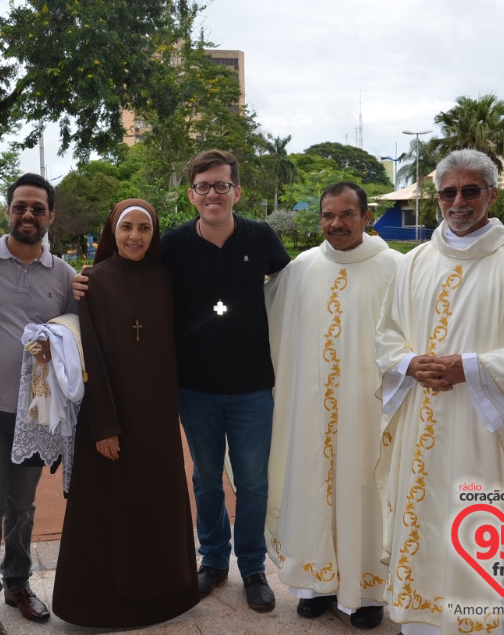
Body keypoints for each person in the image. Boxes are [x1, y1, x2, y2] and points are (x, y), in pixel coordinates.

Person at [73, 150, 290, 612]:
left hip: (253, 385)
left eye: (222, 185)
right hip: (195, 388)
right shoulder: (170, 245)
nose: (213, 194)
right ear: (191, 194)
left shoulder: (262, 237)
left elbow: (293, 287)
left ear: (237, 191)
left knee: (252, 483)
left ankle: (252, 567)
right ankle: (213, 561)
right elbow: (133, 278)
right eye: (204, 187)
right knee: (208, 479)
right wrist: (84, 283)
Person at [376, 149, 504, 635]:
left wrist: (470, 366)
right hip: (419, 409)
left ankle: (486, 618)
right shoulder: (414, 262)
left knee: (481, 512)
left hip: (486, 417)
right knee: (422, 512)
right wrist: (409, 362)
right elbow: (385, 334)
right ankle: (423, 620)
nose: (459, 201)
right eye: (449, 192)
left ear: (492, 194)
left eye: (471, 190)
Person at [52, 199, 200, 627]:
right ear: (112, 231)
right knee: (108, 516)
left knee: (157, 508)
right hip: (109, 418)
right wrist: (105, 426)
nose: (135, 236)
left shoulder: (167, 280)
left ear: (154, 235)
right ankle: (101, 607)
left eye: (144, 229)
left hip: (156, 420)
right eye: (126, 227)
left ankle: (165, 598)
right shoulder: (92, 282)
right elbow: (91, 359)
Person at [264, 182, 401, 629]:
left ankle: (367, 593)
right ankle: (313, 585)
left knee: (363, 490)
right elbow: (262, 315)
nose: (336, 224)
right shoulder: (302, 267)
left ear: (367, 218)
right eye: (328, 215)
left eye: (346, 215)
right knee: (310, 484)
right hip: (310, 410)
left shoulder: (397, 270)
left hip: (369, 410)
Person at [0, 173, 78, 635]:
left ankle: (17, 585)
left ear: (51, 216)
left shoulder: (64, 274)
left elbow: (75, 330)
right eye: (20, 206)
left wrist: (60, 340)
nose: (28, 215)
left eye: (38, 208)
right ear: (8, 210)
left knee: (23, 507)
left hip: (36, 412)